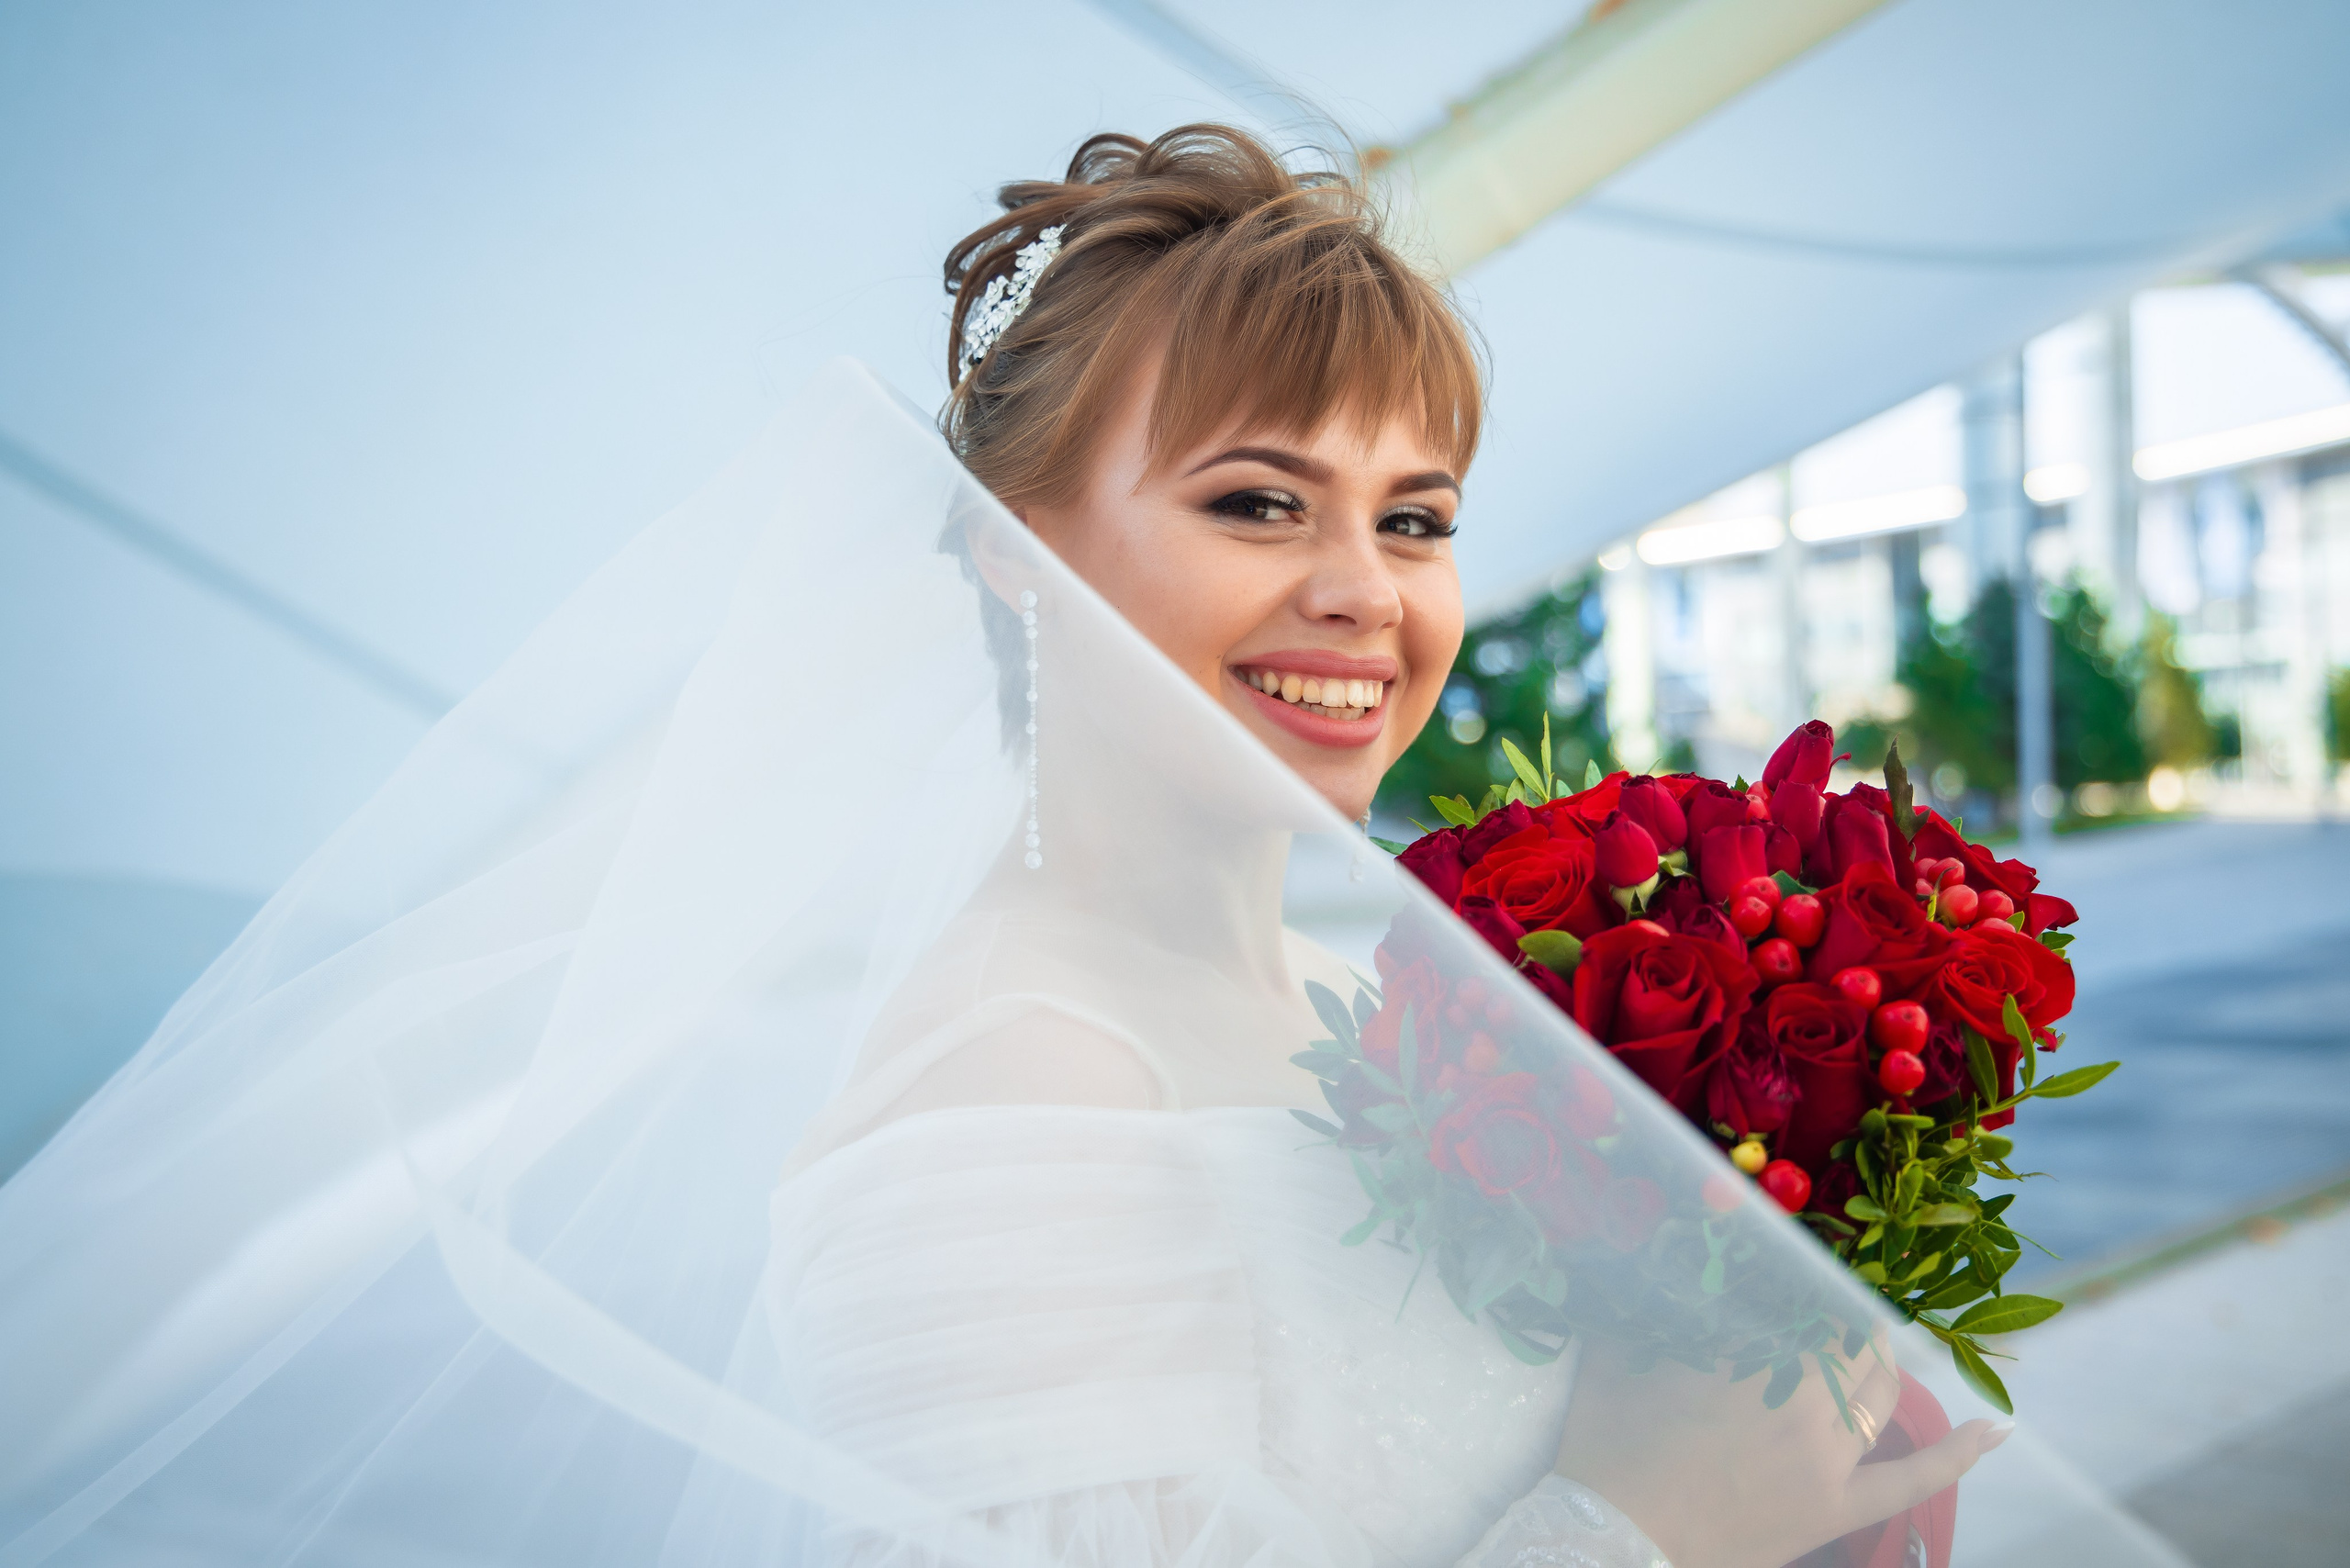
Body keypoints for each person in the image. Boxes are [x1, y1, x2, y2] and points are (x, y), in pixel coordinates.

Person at [0, 126, 2044, 1568]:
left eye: (1409, 517)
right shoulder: (1000, 1085)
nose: (1363, 591)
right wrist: (1641, 1522)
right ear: (1010, 548)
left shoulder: (1358, 1001)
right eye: (1257, 502)